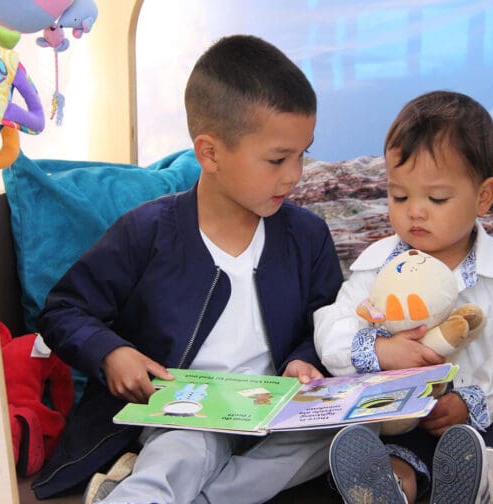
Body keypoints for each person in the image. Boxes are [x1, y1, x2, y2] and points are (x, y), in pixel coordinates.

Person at [33, 34, 344, 504]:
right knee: (184, 450)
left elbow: (325, 322)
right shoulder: (147, 231)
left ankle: (194, 496)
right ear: (210, 153)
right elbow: (63, 310)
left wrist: (304, 361)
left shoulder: (308, 235)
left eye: (303, 154)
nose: (294, 174)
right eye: (278, 159)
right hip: (187, 413)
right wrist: (112, 353)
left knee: (342, 436)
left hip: (278, 412)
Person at [314, 90, 493, 504]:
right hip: (407, 418)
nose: (415, 212)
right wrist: (379, 350)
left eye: (436, 199)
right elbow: (332, 326)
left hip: (492, 416)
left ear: (483, 197)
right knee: (395, 453)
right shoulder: (376, 268)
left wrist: (471, 400)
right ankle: (388, 488)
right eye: (399, 196)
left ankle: (482, 490)